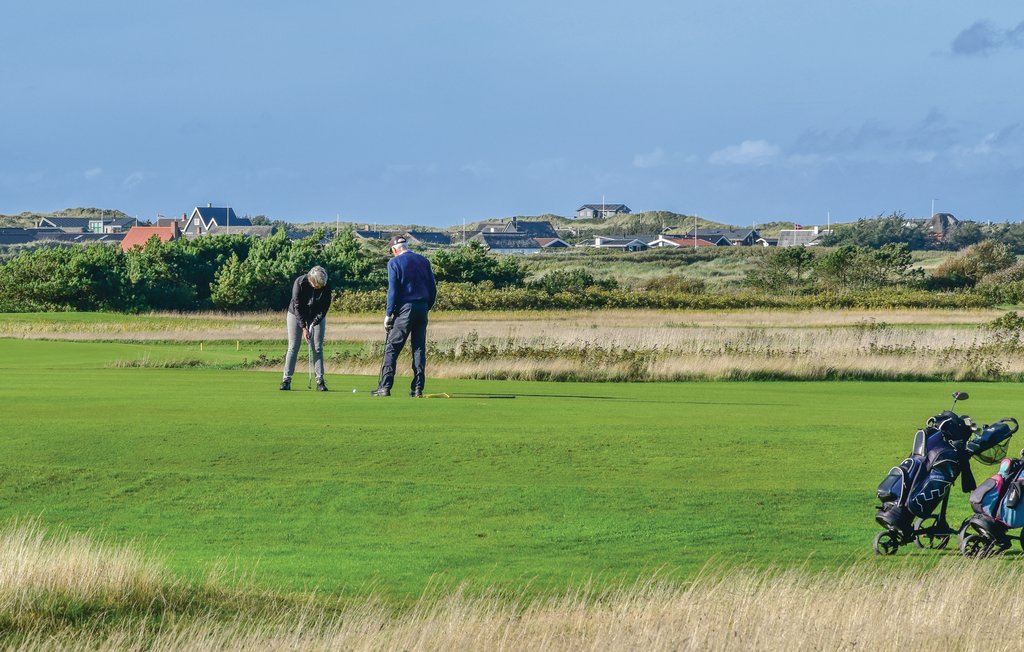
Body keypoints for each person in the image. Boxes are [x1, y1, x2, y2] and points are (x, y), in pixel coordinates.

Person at [372, 236, 437, 397]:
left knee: (392, 347)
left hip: (405, 309)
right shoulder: (423, 260)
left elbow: (393, 291)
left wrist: (388, 314)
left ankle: (385, 386)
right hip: (422, 307)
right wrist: (426, 307)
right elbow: (433, 289)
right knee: (419, 348)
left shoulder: (394, 263)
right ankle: (418, 388)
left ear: (395, 249)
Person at [281, 265, 331, 391]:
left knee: (317, 347)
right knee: (293, 346)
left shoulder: (326, 286)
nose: (319, 288)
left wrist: (313, 324)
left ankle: (320, 381)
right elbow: (297, 306)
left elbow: (324, 309)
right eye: (317, 285)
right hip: (296, 314)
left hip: (316, 315)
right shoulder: (300, 283)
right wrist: (304, 327)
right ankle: (286, 380)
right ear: (311, 280)